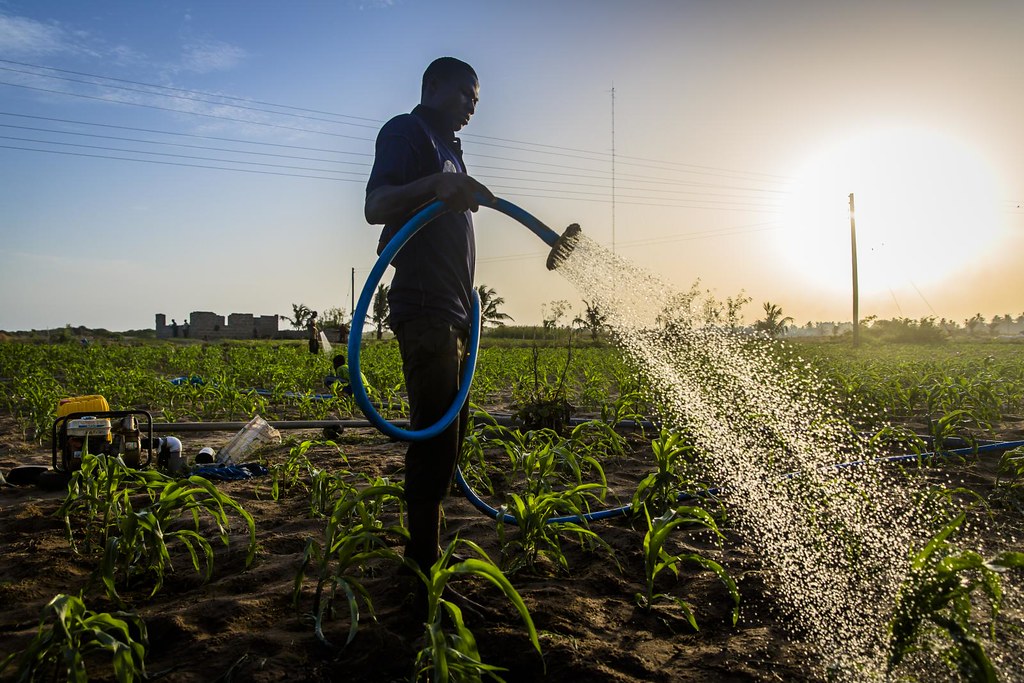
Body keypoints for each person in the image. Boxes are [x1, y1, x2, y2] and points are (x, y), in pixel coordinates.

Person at [364, 57, 494, 577]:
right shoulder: (407, 132)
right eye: (466, 94)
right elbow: (376, 205)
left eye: (477, 101)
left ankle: (427, 549)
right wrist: (433, 187)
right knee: (436, 435)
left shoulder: (452, 152)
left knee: (454, 429)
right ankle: (420, 564)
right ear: (433, 85)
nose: (471, 107)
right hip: (425, 307)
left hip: (457, 312)